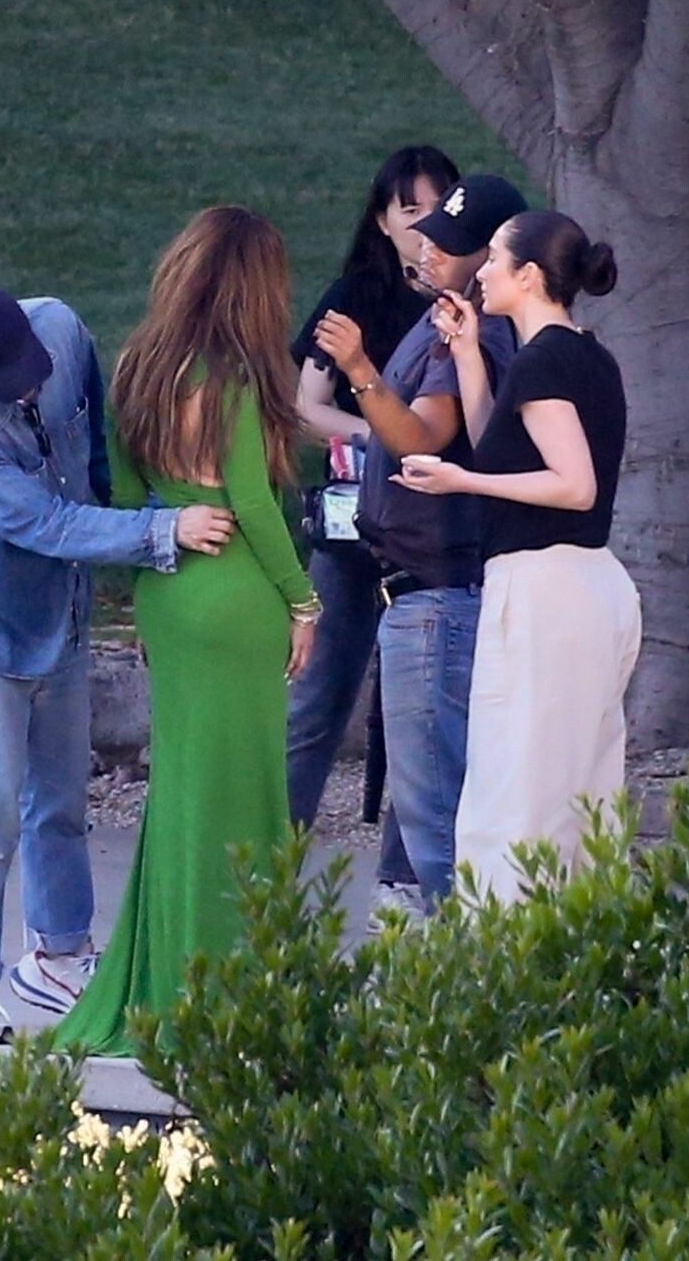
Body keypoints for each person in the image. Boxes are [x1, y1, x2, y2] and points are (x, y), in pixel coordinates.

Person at [0, 281, 237, 1045]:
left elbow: (97, 448)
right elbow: (45, 523)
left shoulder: (57, 328)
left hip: (63, 609)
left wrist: (138, 502)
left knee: (60, 792)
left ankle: (58, 954)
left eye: (31, 367)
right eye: (9, 379)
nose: (30, 385)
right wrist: (162, 531)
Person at [53, 207, 320, 1056]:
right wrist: (304, 601)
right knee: (246, 792)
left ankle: (165, 979)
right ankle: (239, 989)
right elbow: (254, 505)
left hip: (168, 588)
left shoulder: (139, 367)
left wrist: (151, 581)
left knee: (182, 791)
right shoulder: (238, 377)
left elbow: (128, 501)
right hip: (237, 594)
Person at [394, 209, 640, 903]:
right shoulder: (584, 355)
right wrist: (469, 352)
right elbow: (500, 449)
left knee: (519, 795)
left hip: (546, 589)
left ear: (528, 276)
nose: (482, 273)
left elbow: (573, 484)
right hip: (582, 585)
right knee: (579, 792)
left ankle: (512, 948)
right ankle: (582, 940)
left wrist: (460, 481)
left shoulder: (545, 360)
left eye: (495, 260)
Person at [310, 173, 529, 912]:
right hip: (421, 590)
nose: (430, 251)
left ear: (494, 258)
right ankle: (433, 921)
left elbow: (423, 439)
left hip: (435, 592)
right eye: (429, 235)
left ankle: (459, 949)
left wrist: (359, 370)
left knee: (434, 804)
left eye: (451, 245)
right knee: (429, 793)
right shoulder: (445, 319)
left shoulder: (474, 333)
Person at [286, 145, 459, 927]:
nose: (424, 224)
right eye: (408, 209)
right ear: (382, 220)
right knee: (319, 698)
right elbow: (304, 405)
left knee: (420, 711)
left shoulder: (463, 297)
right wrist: (375, 430)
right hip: (356, 524)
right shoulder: (356, 295)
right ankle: (272, 864)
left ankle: (403, 876)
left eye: (438, 206)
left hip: (434, 531)